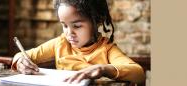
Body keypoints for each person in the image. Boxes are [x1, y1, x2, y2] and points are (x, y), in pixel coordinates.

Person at [11, 0, 145, 84]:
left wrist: (103, 69)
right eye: (64, 25)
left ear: (98, 20)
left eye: (77, 26)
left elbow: (138, 73)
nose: (69, 33)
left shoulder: (107, 49)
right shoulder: (60, 43)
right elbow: (22, 55)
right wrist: (20, 62)